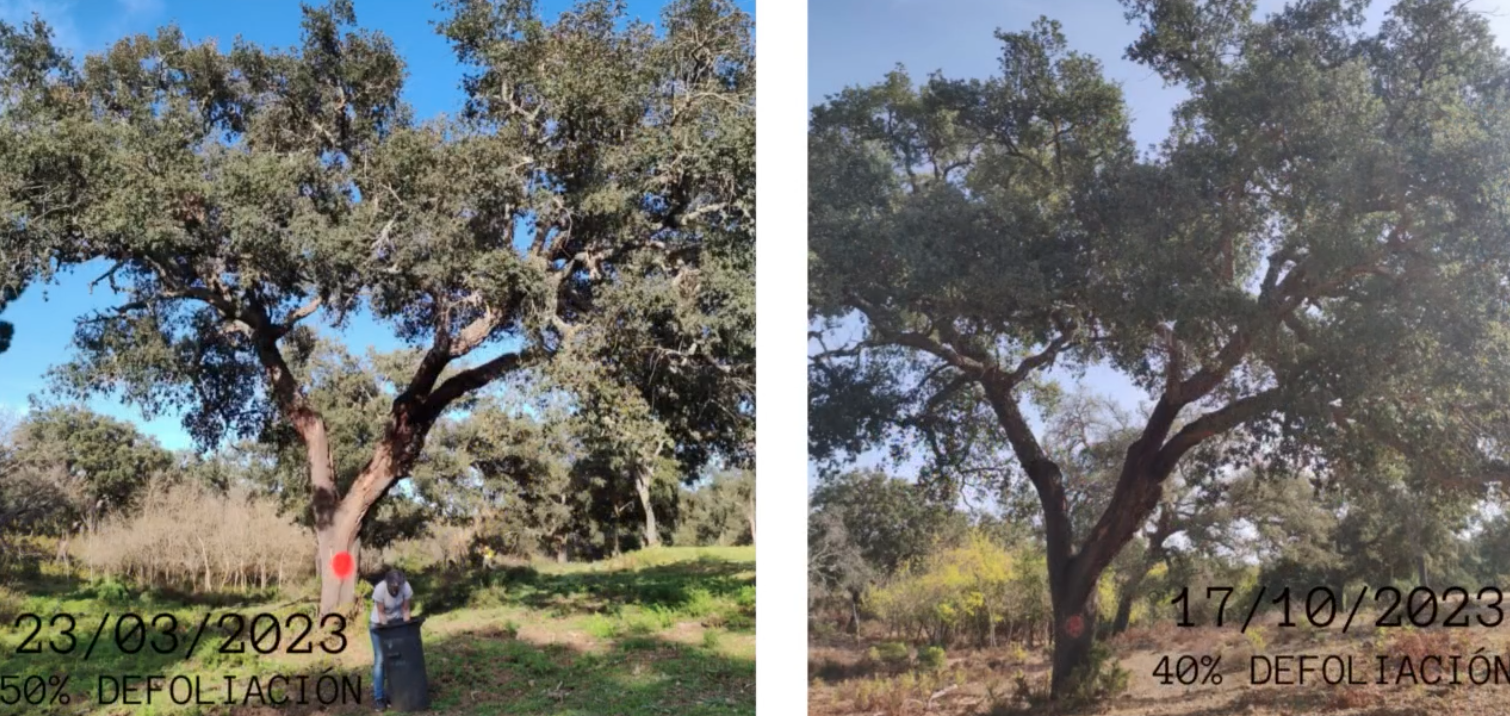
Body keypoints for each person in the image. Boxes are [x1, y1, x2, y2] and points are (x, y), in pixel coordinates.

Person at [369, 568, 412, 711]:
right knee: (381, 659)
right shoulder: (380, 589)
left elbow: (406, 611)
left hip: (396, 623)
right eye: (393, 586)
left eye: (398, 586)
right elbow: (381, 614)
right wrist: (388, 631)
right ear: (388, 584)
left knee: (397, 658)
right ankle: (379, 698)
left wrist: (406, 630)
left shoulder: (406, 587)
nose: (396, 588)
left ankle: (396, 693)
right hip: (379, 625)